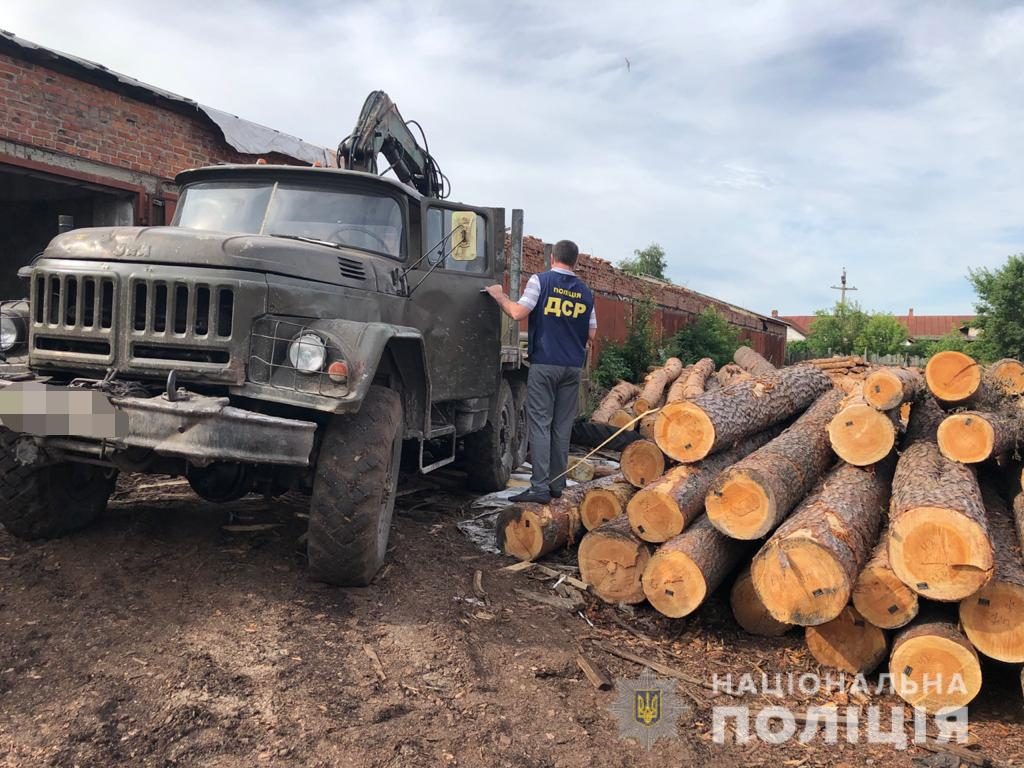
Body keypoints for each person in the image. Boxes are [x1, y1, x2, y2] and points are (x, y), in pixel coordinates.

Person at [485, 240, 596, 503]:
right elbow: (592, 333)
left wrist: (499, 295)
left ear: (553, 258)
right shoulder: (586, 292)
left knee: (540, 424)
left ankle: (539, 487)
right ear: (575, 261)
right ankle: (557, 485)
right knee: (562, 427)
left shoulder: (541, 281)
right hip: (572, 368)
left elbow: (517, 312)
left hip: (545, 364)